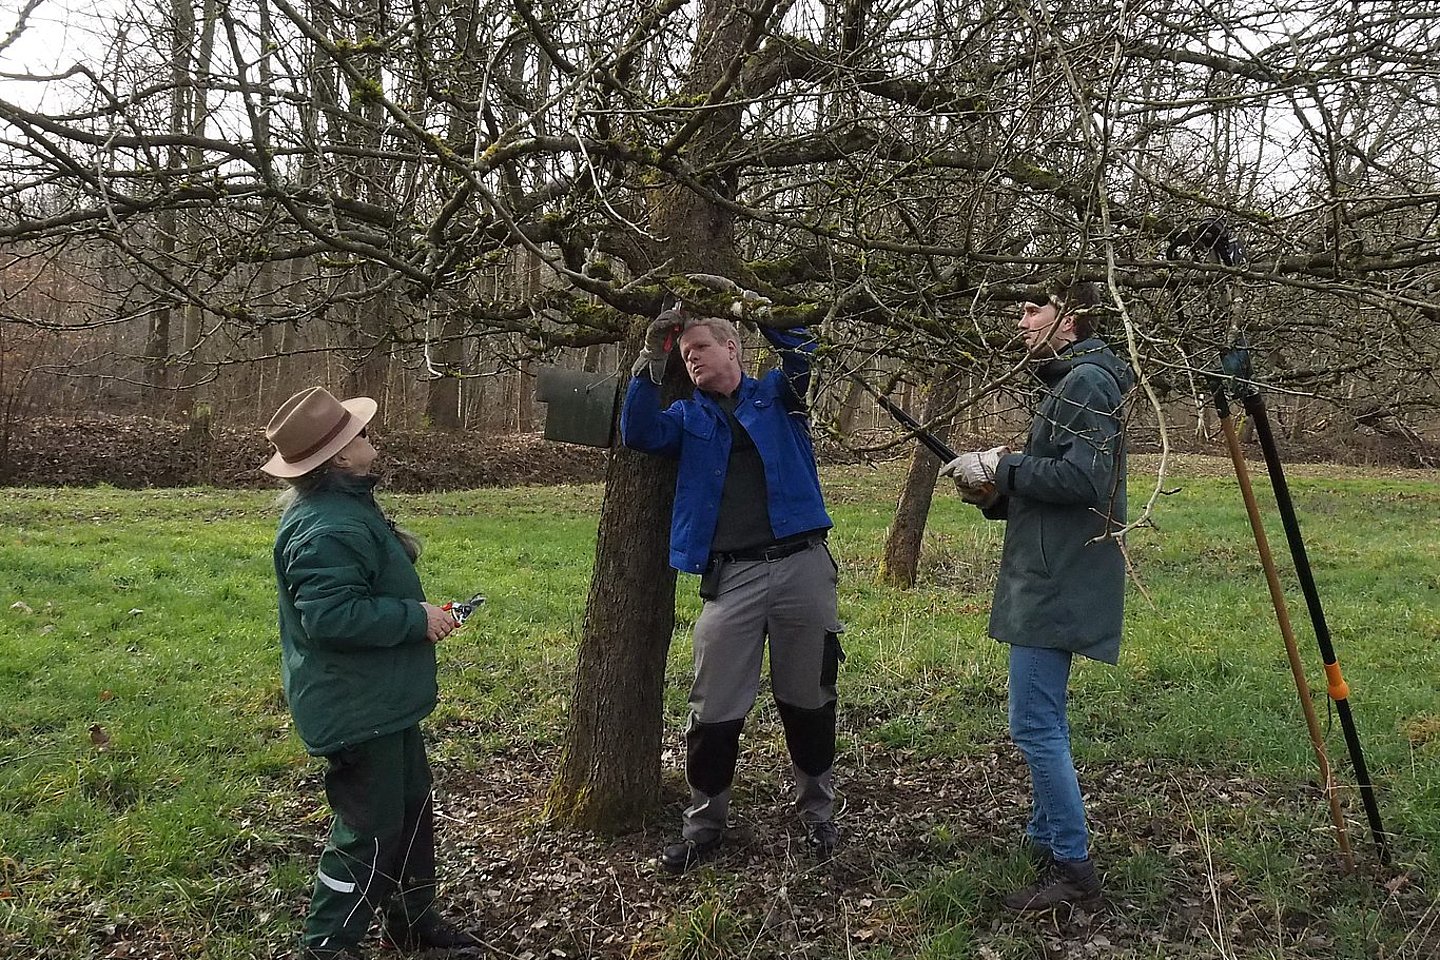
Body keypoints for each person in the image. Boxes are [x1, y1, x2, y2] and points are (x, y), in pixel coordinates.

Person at [621, 309, 844, 874]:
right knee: (714, 706)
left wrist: (758, 310)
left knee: (809, 694)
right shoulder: (686, 416)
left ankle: (819, 812)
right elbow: (638, 434)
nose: (689, 357)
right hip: (732, 576)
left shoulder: (780, 397)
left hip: (802, 566)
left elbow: (802, 351)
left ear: (732, 348)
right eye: (684, 352)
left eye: (699, 347)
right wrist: (651, 358)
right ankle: (705, 823)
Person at [261, 386, 478, 959]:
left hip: (383, 701)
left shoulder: (347, 508)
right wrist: (416, 618)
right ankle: (328, 944)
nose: (370, 440)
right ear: (338, 458)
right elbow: (331, 616)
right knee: (370, 833)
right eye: (361, 435)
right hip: (357, 709)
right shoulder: (327, 526)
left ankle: (412, 918)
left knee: (409, 813)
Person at [940, 282, 1133, 912]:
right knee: (1042, 719)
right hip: (1052, 572)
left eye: (1032, 309)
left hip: (1055, 584)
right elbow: (1060, 486)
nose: (1020, 321)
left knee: (1034, 725)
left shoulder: (1086, 384)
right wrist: (996, 495)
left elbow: (1084, 478)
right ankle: (1046, 834)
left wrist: (1004, 467)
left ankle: (1074, 870)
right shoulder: (1075, 381)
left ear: (1068, 318)